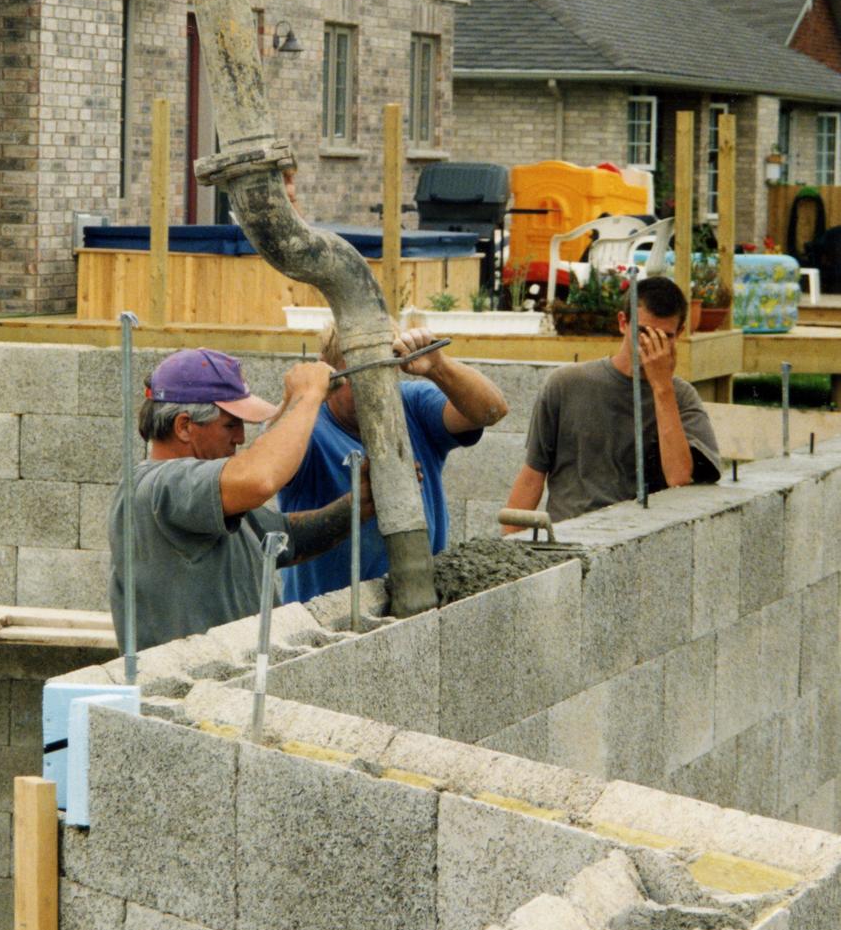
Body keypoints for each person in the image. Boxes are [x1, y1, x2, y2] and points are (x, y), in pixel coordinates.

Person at [108, 347, 372, 650]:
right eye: (230, 425)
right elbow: (261, 479)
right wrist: (309, 395)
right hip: (196, 691)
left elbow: (288, 540)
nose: (240, 438)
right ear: (184, 427)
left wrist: (358, 505)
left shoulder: (207, 495)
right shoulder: (160, 485)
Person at [279, 322, 508, 601]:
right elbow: (265, 474)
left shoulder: (411, 404)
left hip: (419, 600)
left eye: (384, 372)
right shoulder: (307, 430)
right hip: (328, 613)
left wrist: (438, 366)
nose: (374, 390)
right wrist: (302, 400)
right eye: (360, 376)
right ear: (330, 372)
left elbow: (490, 411)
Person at [503, 275, 720, 529]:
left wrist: (662, 388)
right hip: (569, 535)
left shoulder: (682, 397)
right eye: (642, 332)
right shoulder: (565, 384)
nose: (649, 345)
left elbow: (679, 478)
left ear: (679, 334)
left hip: (635, 539)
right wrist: (509, 546)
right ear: (622, 323)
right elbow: (532, 476)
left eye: (664, 337)